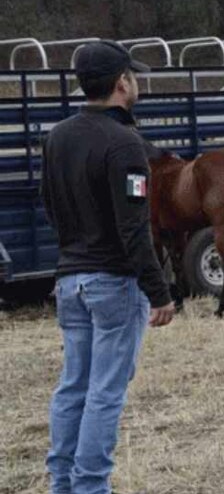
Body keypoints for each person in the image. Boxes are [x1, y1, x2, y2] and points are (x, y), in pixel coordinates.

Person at [39, 40, 176, 493]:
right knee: (105, 393)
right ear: (122, 83)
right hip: (113, 283)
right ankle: (92, 486)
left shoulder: (57, 137)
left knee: (73, 386)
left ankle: (62, 483)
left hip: (70, 280)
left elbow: (50, 207)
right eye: (133, 76)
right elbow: (134, 228)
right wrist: (159, 292)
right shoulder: (125, 144)